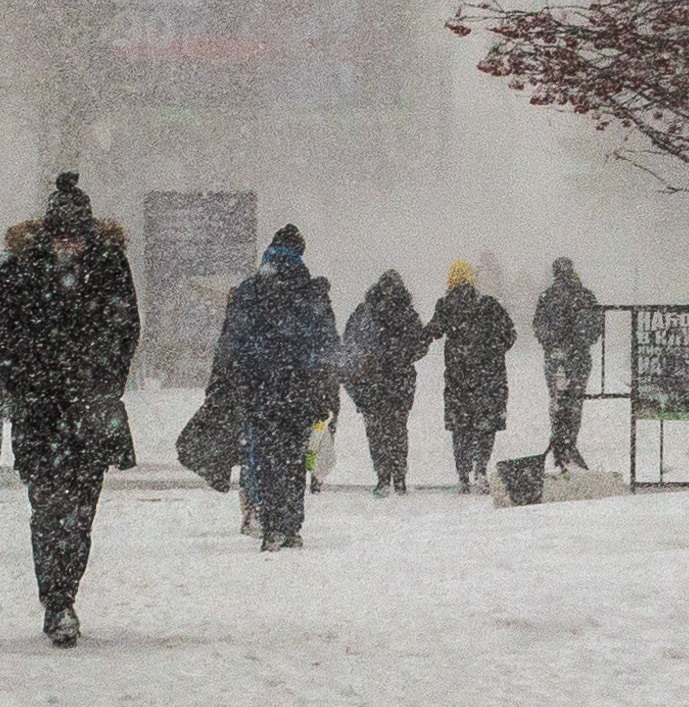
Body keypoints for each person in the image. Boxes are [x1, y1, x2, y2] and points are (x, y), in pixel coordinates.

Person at [0, 174, 140, 645]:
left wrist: (104, 382)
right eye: (60, 235)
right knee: (49, 508)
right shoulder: (19, 272)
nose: (66, 245)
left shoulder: (109, 268)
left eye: (74, 235)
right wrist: (19, 383)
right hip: (42, 411)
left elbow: (125, 331)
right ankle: (57, 600)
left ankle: (63, 592)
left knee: (80, 512)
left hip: (87, 410)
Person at [215, 225, 339, 550]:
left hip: (260, 387)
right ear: (300, 253)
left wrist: (231, 380)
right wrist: (325, 389)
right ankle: (291, 526)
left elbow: (231, 341)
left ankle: (271, 527)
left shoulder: (250, 289)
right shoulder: (311, 291)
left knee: (267, 458)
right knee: (295, 458)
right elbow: (327, 345)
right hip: (300, 387)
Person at [427, 260, 516, 493]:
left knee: (461, 427)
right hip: (489, 378)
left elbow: (432, 332)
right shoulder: (490, 306)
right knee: (485, 426)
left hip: (459, 379)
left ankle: (463, 475)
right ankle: (481, 469)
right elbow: (510, 335)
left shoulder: (446, 306)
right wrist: (491, 353)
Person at [341, 270, 431, 497]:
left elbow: (349, 342)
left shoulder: (364, 313)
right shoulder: (407, 314)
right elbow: (419, 346)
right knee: (397, 430)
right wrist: (401, 355)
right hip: (399, 381)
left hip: (372, 380)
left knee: (376, 430)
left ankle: (382, 476)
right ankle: (399, 477)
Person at [532, 258, 603, 473]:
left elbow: (538, 326)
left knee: (557, 399)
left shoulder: (548, 296)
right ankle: (569, 443)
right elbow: (596, 325)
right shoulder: (585, 295)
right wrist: (579, 344)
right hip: (579, 359)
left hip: (556, 358)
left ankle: (559, 444)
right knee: (574, 402)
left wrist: (554, 344)